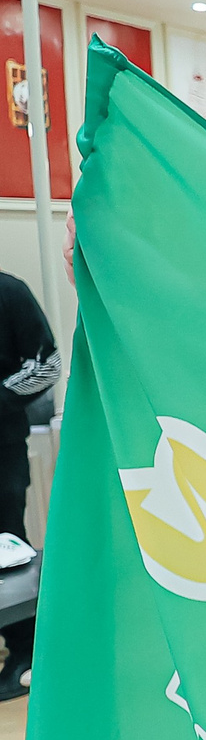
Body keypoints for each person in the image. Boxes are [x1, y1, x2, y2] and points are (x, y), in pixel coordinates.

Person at [0, 269, 57, 689]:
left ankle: (24, 650)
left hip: (1, 445)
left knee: (6, 543)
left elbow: (46, 365)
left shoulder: (8, 292)